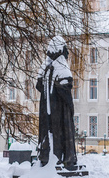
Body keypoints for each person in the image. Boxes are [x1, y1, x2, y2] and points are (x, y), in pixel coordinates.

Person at [37, 36, 77, 169]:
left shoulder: (49, 68)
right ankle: (63, 158)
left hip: (50, 111)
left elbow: (39, 84)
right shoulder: (60, 67)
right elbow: (66, 87)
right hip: (59, 113)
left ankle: (52, 157)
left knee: (52, 134)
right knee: (61, 134)